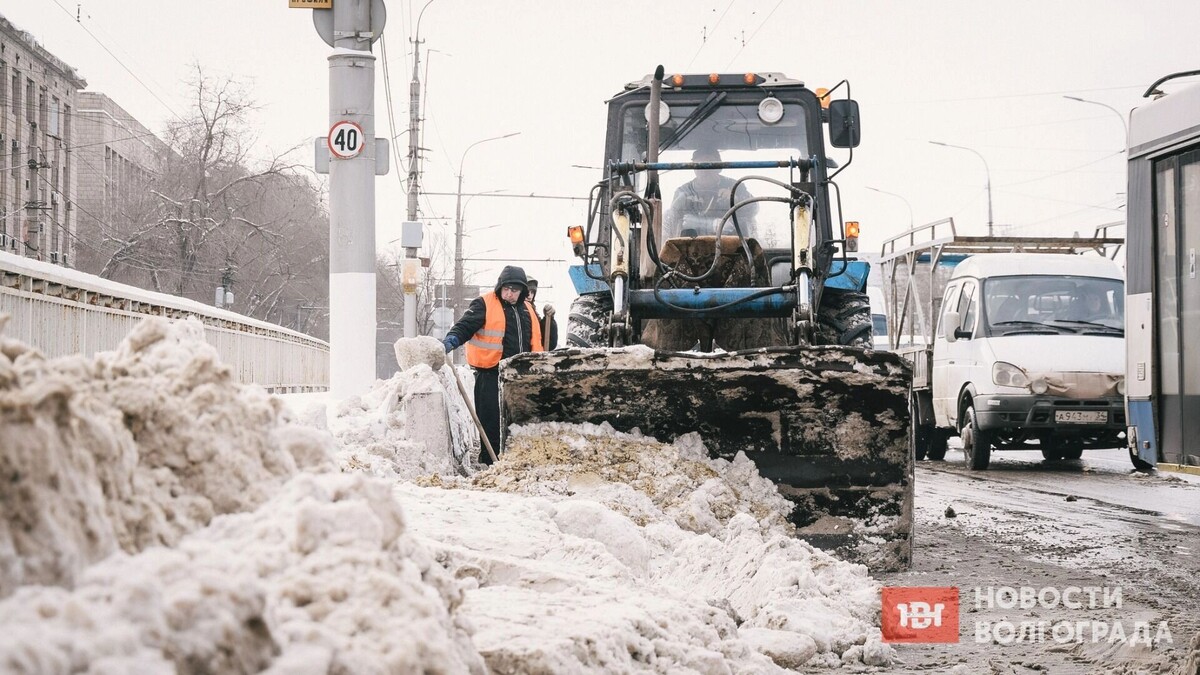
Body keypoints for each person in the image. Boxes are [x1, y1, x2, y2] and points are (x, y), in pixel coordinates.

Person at [442, 265, 543, 464]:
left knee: (518, 422)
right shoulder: (484, 304)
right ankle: (491, 461)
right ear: (500, 287)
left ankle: (515, 460)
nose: (509, 294)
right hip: (490, 374)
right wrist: (451, 340)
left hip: (520, 377)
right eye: (506, 289)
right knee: (490, 421)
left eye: (514, 290)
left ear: (522, 291)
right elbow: (465, 326)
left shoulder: (527, 310)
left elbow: (542, 339)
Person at [664, 147, 758, 240]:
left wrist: (735, 199)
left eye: (710, 164)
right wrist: (710, 224)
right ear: (694, 168)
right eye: (700, 165)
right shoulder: (684, 192)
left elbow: (754, 208)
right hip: (693, 246)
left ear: (719, 167)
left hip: (733, 245)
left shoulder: (735, 186)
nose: (705, 169)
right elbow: (674, 219)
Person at [526, 278, 558, 350]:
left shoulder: (534, 314)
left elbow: (549, 344)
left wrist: (549, 320)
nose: (529, 296)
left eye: (532, 292)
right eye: (527, 292)